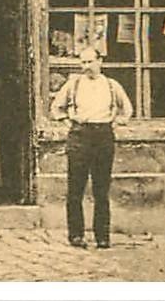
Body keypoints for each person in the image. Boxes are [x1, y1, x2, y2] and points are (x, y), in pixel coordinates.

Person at [48, 45, 133, 249]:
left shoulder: (112, 85)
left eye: (89, 62)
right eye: (83, 62)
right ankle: (76, 235)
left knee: (101, 190)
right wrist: (69, 123)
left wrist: (119, 121)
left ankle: (102, 236)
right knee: (75, 188)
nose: (86, 66)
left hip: (103, 135)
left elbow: (127, 109)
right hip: (80, 136)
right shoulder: (73, 84)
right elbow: (55, 108)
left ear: (99, 61)